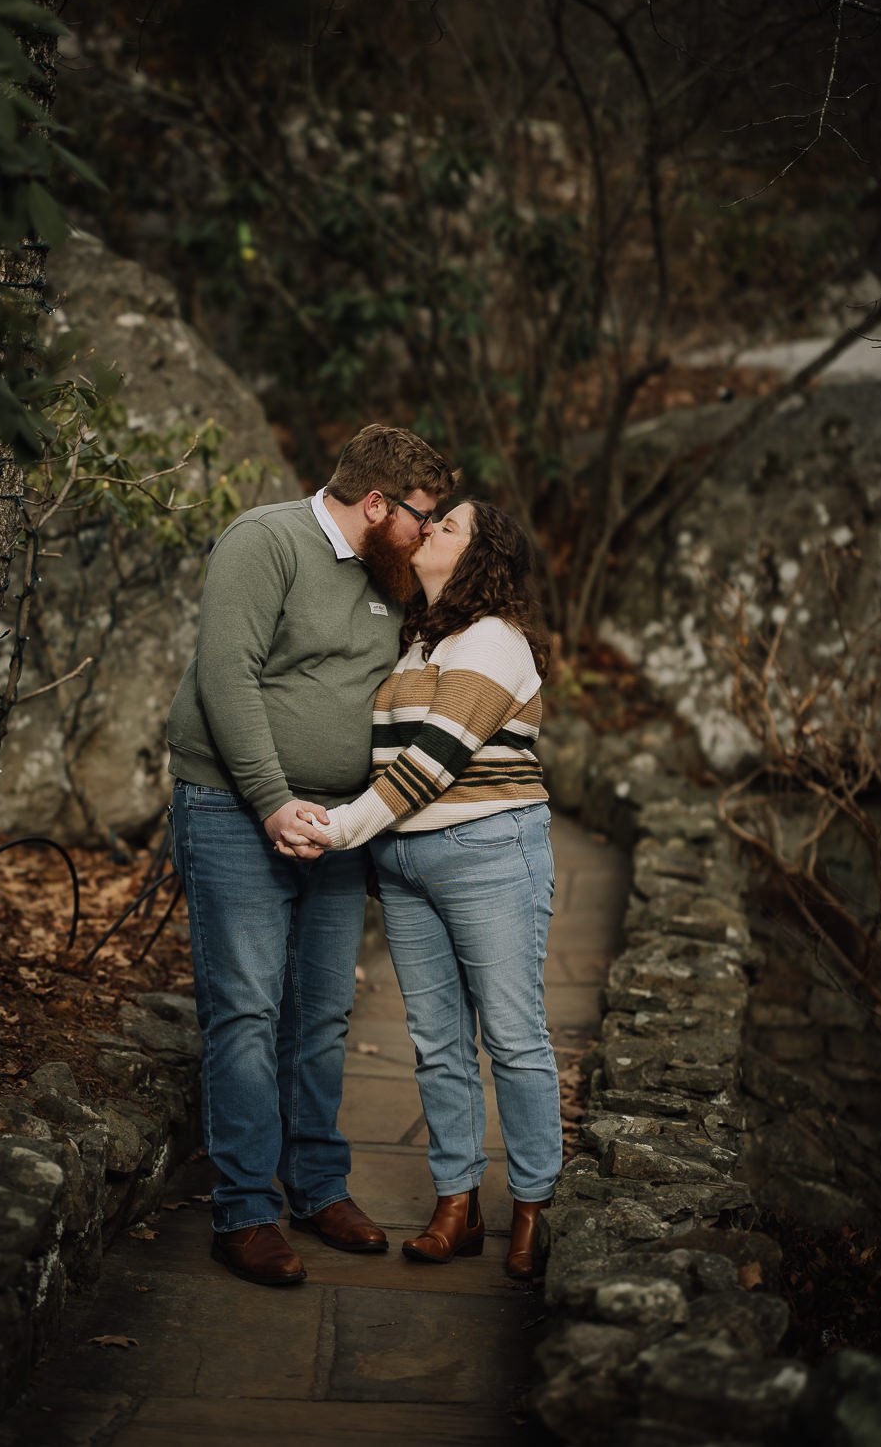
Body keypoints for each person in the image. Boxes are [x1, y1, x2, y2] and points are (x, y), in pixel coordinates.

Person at [167, 424, 454, 1287]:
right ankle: (245, 1212)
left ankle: (319, 1187)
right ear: (376, 504)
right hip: (232, 805)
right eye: (420, 516)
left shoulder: (387, 575)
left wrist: (355, 817)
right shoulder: (265, 542)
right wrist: (269, 799)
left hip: (336, 828)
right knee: (246, 1010)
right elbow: (227, 675)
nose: (426, 532)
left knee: (320, 1013)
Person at [280, 501, 562, 1281]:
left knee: (512, 1036)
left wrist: (337, 832)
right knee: (438, 1046)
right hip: (405, 865)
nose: (430, 528)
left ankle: (535, 1205)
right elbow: (386, 762)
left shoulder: (494, 642)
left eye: (450, 526)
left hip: (487, 855)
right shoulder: (418, 644)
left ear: (483, 555)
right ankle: (456, 1204)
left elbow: (431, 764)